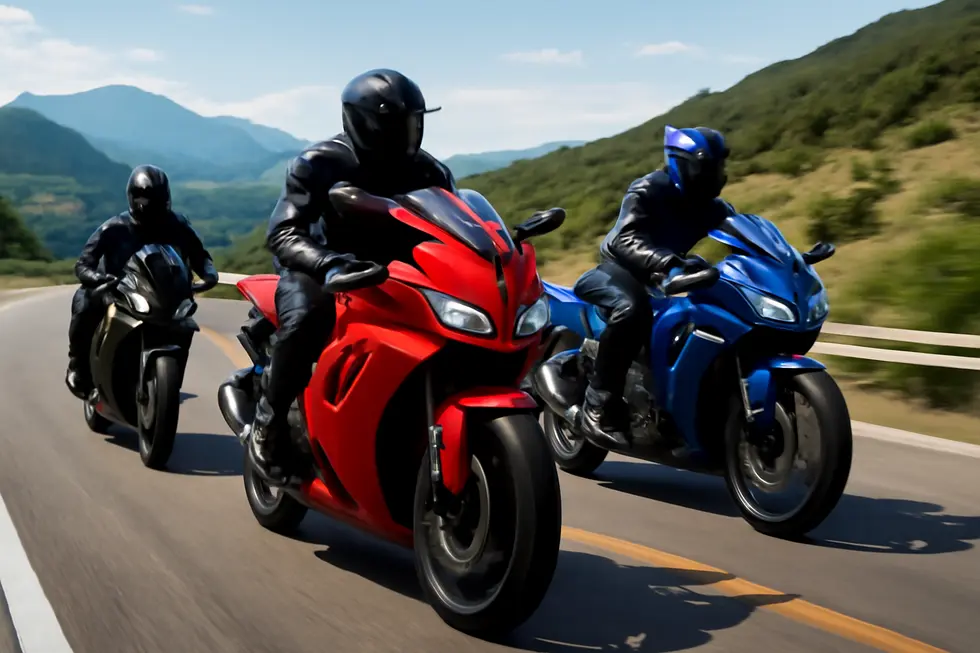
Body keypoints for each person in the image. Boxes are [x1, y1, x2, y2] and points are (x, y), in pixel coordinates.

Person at [247, 68, 457, 485]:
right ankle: (267, 424)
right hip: (320, 267)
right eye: (398, 123)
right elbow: (283, 233)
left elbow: (455, 224)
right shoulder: (321, 163)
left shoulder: (431, 172)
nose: (410, 132)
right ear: (365, 123)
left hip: (397, 272)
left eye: (415, 121)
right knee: (308, 319)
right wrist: (328, 264)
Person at [572, 125, 737, 448]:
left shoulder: (714, 207)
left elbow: (744, 236)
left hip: (662, 275)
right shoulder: (649, 189)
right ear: (681, 164)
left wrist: (786, 259)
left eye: (718, 166)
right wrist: (667, 261)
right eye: (706, 167)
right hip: (618, 270)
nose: (714, 174)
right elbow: (623, 239)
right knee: (632, 311)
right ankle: (597, 403)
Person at [65, 164, 219, 398]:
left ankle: (171, 381)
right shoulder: (114, 228)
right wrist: (98, 278)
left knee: (186, 324)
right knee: (84, 303)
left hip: (163, 292)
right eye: (146, 200)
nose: (150, 206)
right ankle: (77, 367)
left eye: (156, 200)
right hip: (118, 291)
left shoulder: (178, 225)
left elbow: (200, 256)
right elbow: (83, 264)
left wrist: (209, 275)